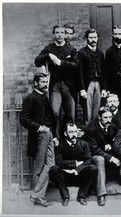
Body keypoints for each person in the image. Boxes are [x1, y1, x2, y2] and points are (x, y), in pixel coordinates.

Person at [35, 24, 79, 139]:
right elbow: (37, 61)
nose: (59, 35)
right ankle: (57, 139)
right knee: (54, 112)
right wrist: (47, 55)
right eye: (57, 33)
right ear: (53, 35)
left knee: (71, 115)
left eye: (62, 33)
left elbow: (77, 66)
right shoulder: (49, 48)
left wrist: (60, 63)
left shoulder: (71, 49)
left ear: (65, 35)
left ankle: (69, 140)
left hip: (69, 86)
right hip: (55, 85)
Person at [20, 73, 58, 207]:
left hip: (48, 134)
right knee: (38, 168)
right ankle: (38, 197)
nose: (45, 84)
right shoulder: (31, 98)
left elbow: (50, 119)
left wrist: (53, 136)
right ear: (36, 83)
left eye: (46, 81)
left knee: (50, 164)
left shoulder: (44, 97)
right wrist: (39, 128)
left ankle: (36, 194)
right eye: (42, 82)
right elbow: (24, 119)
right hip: (39, 136)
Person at [83, 107, 121, 206]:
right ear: (99, 117)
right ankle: (101, 193)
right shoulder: (91, 129)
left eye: (110, 117)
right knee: (100, 159)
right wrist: (110, 157)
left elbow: (117, 142)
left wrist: (112, 146)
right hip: (95, 156)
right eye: (105, 117)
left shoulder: (113, 127)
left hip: (109, 152)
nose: (108, 120)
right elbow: (94, 149)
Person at [49, 123, 98, 206]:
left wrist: (76, 169)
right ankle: (65, 196)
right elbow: (59, 162)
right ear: (65, 133)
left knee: (93, 168)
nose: (74, 134)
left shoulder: (84, 144)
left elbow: (89, 160)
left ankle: (82, 196)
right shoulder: (61, 145)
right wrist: (75, 163)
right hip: (65, 176)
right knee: (54, 169)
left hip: (79, 175)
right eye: (71, 132)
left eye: (75, 132)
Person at [78, 28, 105, 124]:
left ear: (98, 38)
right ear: (87, 38)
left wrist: (104, 88)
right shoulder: (82, 52)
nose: (93, 40)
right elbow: (80, 72)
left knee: (97, 110)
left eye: (95, 37)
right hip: (88, 84)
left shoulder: (100, 54)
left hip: (98, 83)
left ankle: (95, 132)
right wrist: (82, 89)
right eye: (91, 37)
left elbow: (103, 72)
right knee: (87, 111)